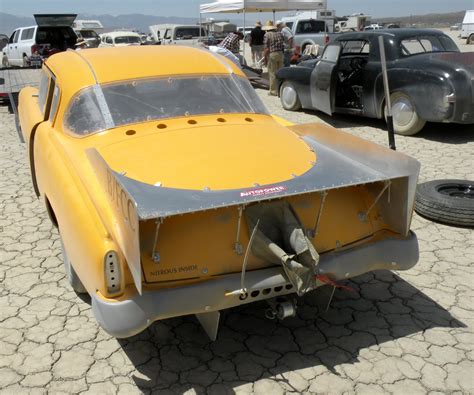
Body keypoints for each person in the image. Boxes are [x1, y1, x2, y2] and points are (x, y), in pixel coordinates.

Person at [263, 20, 284, 96]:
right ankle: (280, 89)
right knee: (280, 72)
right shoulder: (280, 34)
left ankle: (273, 91)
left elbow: (266, 48)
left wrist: (265, 58)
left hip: (273, 55)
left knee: (272, 73)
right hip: (281, 54)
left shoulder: (267, 35)